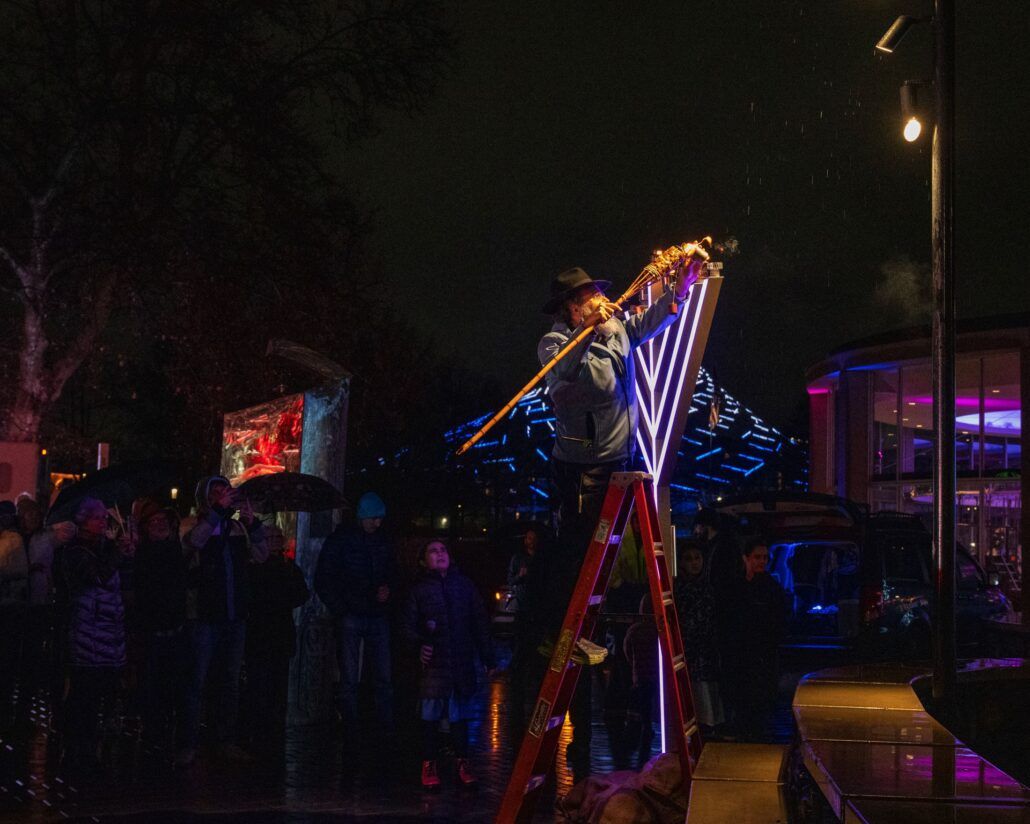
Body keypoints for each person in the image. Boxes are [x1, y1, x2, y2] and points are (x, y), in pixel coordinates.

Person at [535, 259, 703, 781]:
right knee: (577, 550)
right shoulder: (554, 342)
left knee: (613, 554)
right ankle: (564, 630)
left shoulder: (608, 328)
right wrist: (599, 333)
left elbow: (648, 323)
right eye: (585, 297)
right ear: (570, 305)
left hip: (617, 457)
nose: (595, 301)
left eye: (595, 294)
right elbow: (600, 386)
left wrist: (677, 291)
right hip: (580, 465)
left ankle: (596, 619)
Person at [180, 475, 269, 767]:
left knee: (229, 681)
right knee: (197, 680)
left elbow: (261, 555)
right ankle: (189, 743)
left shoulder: (236, 528)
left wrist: (253, 524)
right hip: (205, 615)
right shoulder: (194, 524)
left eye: (225, 491)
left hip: (234, 615)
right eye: (216, 492)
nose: (222, 495)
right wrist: (217, 511)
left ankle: (224, 740)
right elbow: (193, 543)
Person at [400, 539, 496, 789]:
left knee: (459, 718)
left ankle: (462, 762)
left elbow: (479, 622)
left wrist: (488, 656)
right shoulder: (418, 590)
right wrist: (418, 645)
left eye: (443, 550)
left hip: (460, 663)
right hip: (433, 667)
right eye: (433, 551)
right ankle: (429, 764)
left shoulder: (463, 586)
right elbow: (406, 627)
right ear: (423, 560)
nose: (440, 554)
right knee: (430, 718)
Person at [57, 498, 132, 771]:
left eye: (104, 518)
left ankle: (92, 747)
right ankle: (76, 747)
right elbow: (96, 577)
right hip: (87, 634)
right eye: (97, 517)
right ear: (83, 520)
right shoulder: (75, 551)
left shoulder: (102, 548)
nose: (103, 522)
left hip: (109, 632)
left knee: (103, 693)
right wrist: (116, 553)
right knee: (83, 695)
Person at [313, 491, 396, 740]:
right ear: (363, 517)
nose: (377, 523)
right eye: (374, 518)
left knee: (375, 675)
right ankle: (358, 725)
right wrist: (342, 609)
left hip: (367, 613)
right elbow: (325, 578)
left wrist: (388, 590)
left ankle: (374, 725)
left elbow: (392, 571)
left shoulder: (372, 540)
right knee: (353, 675)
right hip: (355, 613)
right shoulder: (345, 540)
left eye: (379, 519)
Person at [244, 524, 308, 757]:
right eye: (269, 537)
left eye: (277, 537)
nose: (274, 541)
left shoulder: (289, 568)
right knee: (259, 685)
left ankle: (273, 731)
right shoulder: (255, 568)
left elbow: (302, 594)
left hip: (279, 633)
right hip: (260, 633)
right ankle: (258, 730)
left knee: (277, 686)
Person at [132, 498, 189, 749]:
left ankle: (163, 730)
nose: (159, 525)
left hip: (174, 628)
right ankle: (152, 731)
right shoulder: (142, 554)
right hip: (152, 629)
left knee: (169, 683)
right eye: (153, 522)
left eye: (162, 521)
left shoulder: (175, 550)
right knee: (151, 683)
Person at [729, 537, 788, 741]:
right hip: (742, 650)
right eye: (757, 557)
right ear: (746, 558)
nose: (762, 562)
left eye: (764, 557)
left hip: (763, 650)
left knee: (761, 697)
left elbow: (780, 618)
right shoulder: (736, 585)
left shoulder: (771, 587)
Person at [674, 539, 724, 733]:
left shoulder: (707, 587)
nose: (695, 563)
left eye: (697, 558)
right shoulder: (681, 589)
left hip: (706, 650)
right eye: (689, 559)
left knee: (707, 690)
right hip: (692, 650)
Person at [622, 595, 659, 768]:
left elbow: (627, 649)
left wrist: (634, 667)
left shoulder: (635, 630)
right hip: (654, 674)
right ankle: (647, 728)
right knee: (650, 702)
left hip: (640, 675)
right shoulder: (658, 630)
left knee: (642, 704)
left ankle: (643, 728)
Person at [0, 501, 29, 715]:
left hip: (9, 605)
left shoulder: (13, 540)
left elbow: (18, 570)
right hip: (9, 603)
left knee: (7, 654)